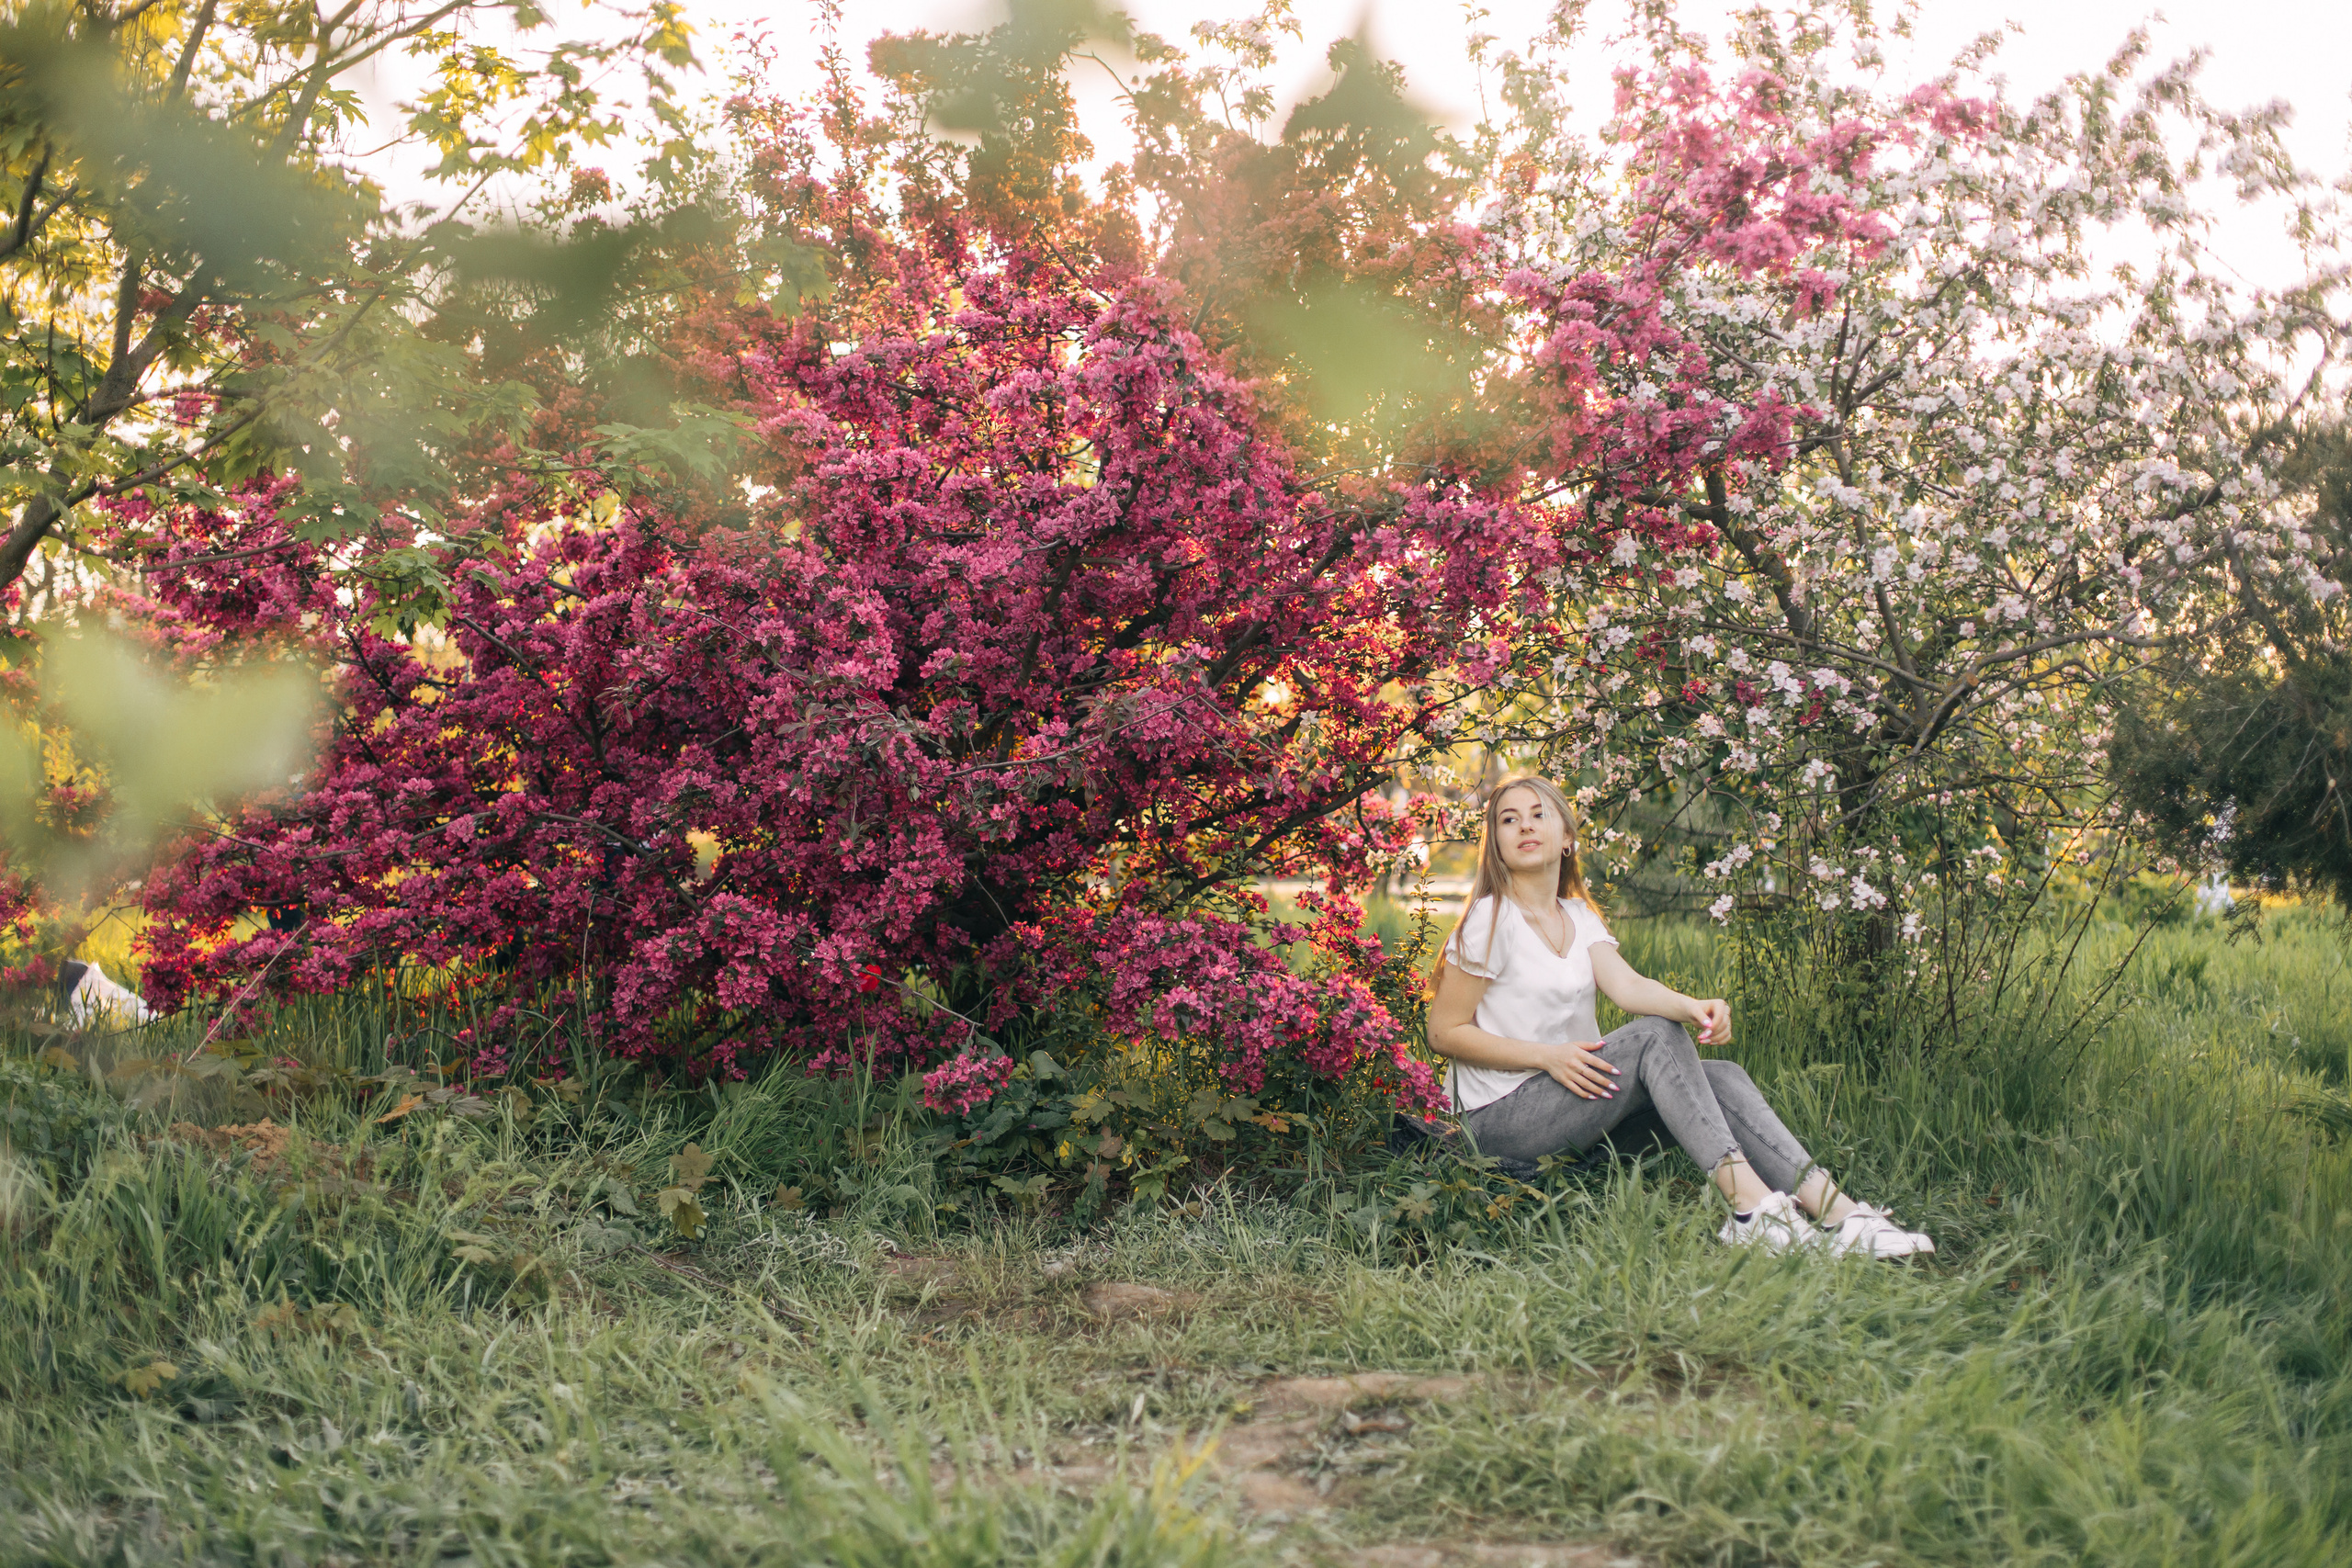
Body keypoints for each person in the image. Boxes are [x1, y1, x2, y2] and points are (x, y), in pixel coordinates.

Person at [1423, 775, 1933, 1258]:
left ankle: (1840, 1216)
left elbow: (1628, 988)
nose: (1525, 826)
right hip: (1495, 1122)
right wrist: (1547, 1057)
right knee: (1653, 1037)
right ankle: (1753, 1212)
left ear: (1567, 839)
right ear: (1496, 843)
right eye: (1509, 819)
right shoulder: (1491, 919)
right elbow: (1443, 1032)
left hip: (1570, 1107)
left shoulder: (1576, 915)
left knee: (1721, 1076)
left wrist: (1693, 1007)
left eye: (1539, 814)